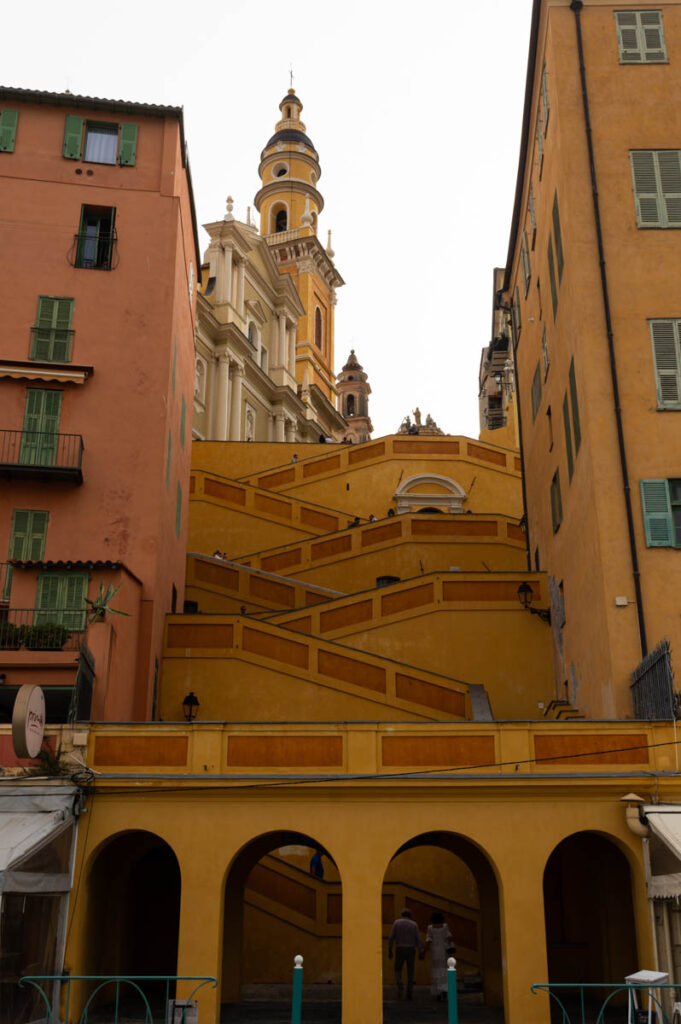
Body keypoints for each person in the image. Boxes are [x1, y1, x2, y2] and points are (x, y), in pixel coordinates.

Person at [388, 908, 424, 1000]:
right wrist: (421, 951)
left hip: (400, 948)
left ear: (401, 914)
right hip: (411, 949)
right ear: (410, 915)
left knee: (397, 968)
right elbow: (418, 939)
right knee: (410, 971)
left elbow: (391, 937)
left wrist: (390, 949)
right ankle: (409, 991)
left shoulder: (396, 923)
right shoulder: (414, 924)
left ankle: (399, 981)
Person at [425, 911, 453, 1001]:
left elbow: (428, 940)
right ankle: (444, 990)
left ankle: (438, 991)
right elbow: (449, 937)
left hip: (435, 951)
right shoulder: (445, 927)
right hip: (443, 950)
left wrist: (424, 950)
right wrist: (450, 947)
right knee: (444, 970)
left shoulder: (430, 928)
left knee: (436, 970)